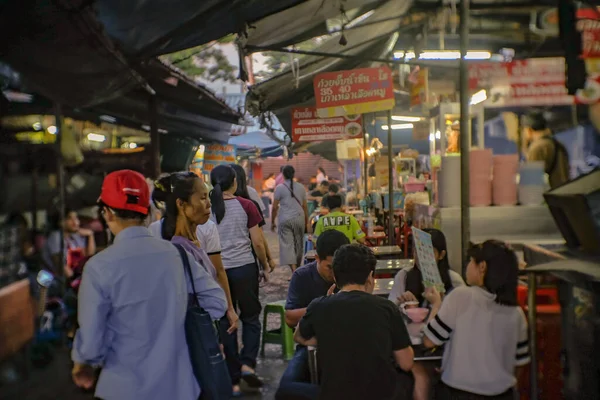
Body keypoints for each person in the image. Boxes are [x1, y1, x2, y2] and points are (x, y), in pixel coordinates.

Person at [71, 169, 227, 400]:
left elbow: (92, 344)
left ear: (107, 213)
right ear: (146, 211)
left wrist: (81, 365)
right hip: (180, 387)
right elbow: (217, 302)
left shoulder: (98, 267)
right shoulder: (177, 255)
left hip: (123, 389)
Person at [295, 244, 414, 400]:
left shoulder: (319, 305)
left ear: (335, 277)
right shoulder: (387, 309)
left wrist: (330, 336)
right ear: (371, 276)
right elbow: (406, 362)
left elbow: (299, 336)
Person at [422, 240, 530, 400]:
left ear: (482, 267)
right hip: (503, 394)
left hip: (457, 393)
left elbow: (429, 341)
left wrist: (436, 304)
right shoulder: (516, 313)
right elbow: (520, 363)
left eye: (471, 261)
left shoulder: (461, 296)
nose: (468, 266)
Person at [151, 171, 239, 334]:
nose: (209, 204)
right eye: (203, 198)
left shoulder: (192, 243)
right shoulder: (180, 249)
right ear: (181, 204)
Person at [209, 165, 270, 395]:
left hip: (218, 271)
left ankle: (233, 375)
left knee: (227, 320)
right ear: (234, 182)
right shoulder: (247, 205)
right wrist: (264, 265)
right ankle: (248, 365)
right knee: (251, 318)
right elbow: (257, 242)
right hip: (244, 269)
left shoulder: (208, 209)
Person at [388, 228, 464, 400]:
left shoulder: (453, 280)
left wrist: (440, 302)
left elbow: (460, 318)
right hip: (411, 345)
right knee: (419, 372)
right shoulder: (404, 276)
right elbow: (391, 310)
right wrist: (401, 302)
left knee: (424, 374)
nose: (420, 257)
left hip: (444, 346)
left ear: (441, 255)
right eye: (417, 251)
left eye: (428, 252)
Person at [276, 230, 350, 400]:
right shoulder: (302, 276)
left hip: (346, 342)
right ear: (317, 258)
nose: (335, 274)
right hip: (309, 343)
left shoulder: (349, 276)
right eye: (330, 267)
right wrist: (324, 303)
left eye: (339, 267)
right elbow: (289, 318)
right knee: (285, 387)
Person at [231, 164, 277, 272]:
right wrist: (267, 260)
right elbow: (259, 236)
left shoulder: (217, 198)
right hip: (247, 257)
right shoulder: (250, 193)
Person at [272, 165, 309, 272]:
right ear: (294, 174)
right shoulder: (301, 187)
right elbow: (305, 206)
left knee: (287, 245)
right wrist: (306, 222)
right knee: (298, 244)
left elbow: (274, 207)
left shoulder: (279, 188)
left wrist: (272, 223)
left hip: (285, 219)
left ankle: (294, 270)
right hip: (299, 218)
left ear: (283, 174)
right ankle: (297, 269)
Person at [42, 209, 96, 278]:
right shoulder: (56, 237)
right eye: (70, 218)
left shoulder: (74, 237)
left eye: (76, 218)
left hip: (75, 276)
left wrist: (90, 235)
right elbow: (60, 265)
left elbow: (89, 256)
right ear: (61, 222)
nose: (75, 222)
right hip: (56, 280)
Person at [523, 110, 570, 189]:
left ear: (528, 130)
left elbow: (531, 184)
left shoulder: (537, 147)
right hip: (564, 193)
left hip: (551, 197)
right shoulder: (558, 144)